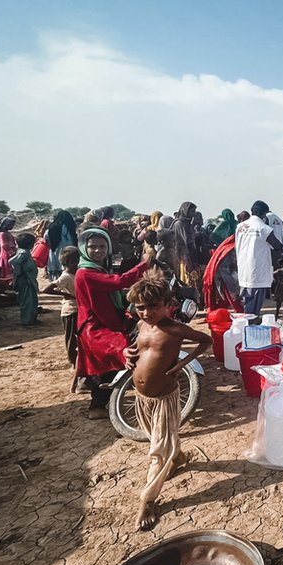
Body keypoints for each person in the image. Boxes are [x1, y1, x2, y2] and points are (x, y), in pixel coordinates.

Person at [125, 268, 211, 530]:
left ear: (167, 304)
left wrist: (183, 363)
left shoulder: (175, 329)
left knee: (158, 452)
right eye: (141, 307)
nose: (147, 313)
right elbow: (136, 349)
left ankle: (148, 500)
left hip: (164, 397)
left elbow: (205, 340)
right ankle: (178, 457)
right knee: (157, 438)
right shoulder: (141, 325)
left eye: (153, 306)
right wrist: (126, 355)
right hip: (142, 397)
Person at [75, 227, 150, 418]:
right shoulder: (85, 273)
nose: (98, 250)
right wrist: (144, 264)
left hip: (107, 320)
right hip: (95, 327)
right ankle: (97, 406)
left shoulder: (98, 268)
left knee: (111, 363)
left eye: (102, 246)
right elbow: (118, 282)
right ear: (84, 248)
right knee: (120, 351)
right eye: (92, 247)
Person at [236, 201, 283, 321]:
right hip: (258, 270)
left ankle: (247, 323)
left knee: (247, 302)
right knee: (254, 307)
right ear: (264, 214)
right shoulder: (264, 229)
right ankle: (250, 326)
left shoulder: (240, 227)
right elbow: (277, 245)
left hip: (243, 269)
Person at [42, 246, 80, 366]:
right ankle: (72, 360)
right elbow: (47, 289)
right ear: (71, 262)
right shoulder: (66, 277)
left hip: (76, 309)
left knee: (77, 336)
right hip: (70, 311)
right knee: (71, 337)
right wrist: (66, 294)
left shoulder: (74, 274)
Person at [10, 233, 40, 326]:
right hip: (25, 280)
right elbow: (13, 261)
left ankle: (32, 318)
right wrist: (19, 272)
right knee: (27, 301)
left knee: (32, 299)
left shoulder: (24, 251)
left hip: (29, 279)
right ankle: (27, 320)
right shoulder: (23, 253)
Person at [45, 210, 78, 280]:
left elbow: (46, 240)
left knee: (56, 276)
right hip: (70, 253)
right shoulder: (72, 228)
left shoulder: (51, 228)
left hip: (55, 253)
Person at [0, 216, 18, 283]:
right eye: (10, 224)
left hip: (10, 256)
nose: (12, 226)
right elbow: (4, 245)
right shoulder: (2, 234)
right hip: (6, 257)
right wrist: (13, 253)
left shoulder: (8, 233)